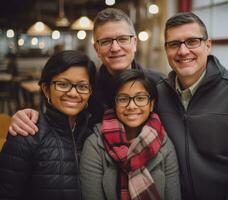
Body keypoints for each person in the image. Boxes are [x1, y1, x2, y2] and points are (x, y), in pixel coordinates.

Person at [156, 12, 228, 200]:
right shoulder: (157, 95)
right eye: (174, 44)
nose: (183, 51)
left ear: (208, 45)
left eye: (192, 41)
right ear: (166, 50)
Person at [7, 8, 164, 136]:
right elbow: (58, 121)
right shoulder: (86, 87)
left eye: (123, 39)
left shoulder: (159, 85)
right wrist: (28, 117)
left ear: (134, 43)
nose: (115, 48)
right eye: (106, 41)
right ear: (96, 49)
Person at [0, 50, 96, 200]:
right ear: (46, 89)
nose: (73, 93)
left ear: (90, 92)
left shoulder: (91, 138)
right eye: (63, 84)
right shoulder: (26, 133)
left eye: (82, 86)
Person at [80, 69, 181, 200]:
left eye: (140, 98)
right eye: (123, 99)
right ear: (114, 104)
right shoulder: (94, 145)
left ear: (151, 104)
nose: (131, 106)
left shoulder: (165, 145)